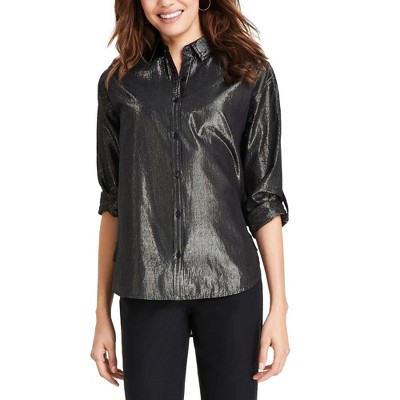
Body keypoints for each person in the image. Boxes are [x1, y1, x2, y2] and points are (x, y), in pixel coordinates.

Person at [90, 0, 290, 399]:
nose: (165, 2)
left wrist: (279, 308)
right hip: (146, 287)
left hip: (232, 283)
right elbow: (113, 202)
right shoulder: (119, 84)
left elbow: (264, 198)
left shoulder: (249, 74)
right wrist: (101, 314)